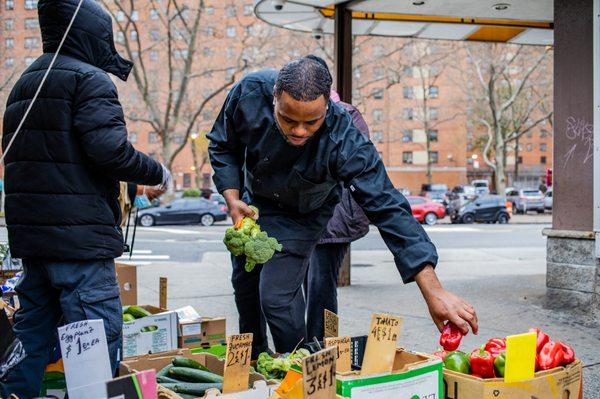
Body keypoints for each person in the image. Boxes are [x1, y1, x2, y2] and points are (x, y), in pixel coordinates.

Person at [208, 55, 478, 358]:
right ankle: (254, 359)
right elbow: (223, 144)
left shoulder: (346, 138)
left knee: (276, 299)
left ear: (327, 105)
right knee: (244, 286)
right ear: (274, 98)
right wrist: (232, 198)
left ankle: (299, 372)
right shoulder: (249, 92)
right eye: (288, 119)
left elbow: (387, 205)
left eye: (311, 122)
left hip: (302, 213)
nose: (299, 131)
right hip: (252, 201)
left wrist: (433, 289)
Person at [0, 0, 170, 397]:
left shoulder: (25, 82)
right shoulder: (90, 80)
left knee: (32, 332)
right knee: (93, 338)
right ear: (93, 34)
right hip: (78, 244)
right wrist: (156, 171)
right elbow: (110, 151)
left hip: (34, 242)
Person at [305, 88, 371, 341]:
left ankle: (321, 348)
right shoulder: (303, 115)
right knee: (309, 285)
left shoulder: (347, 114)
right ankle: (309, 347)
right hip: (309, 217)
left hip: (336, 218)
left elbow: (360, 164)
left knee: (321, 285)